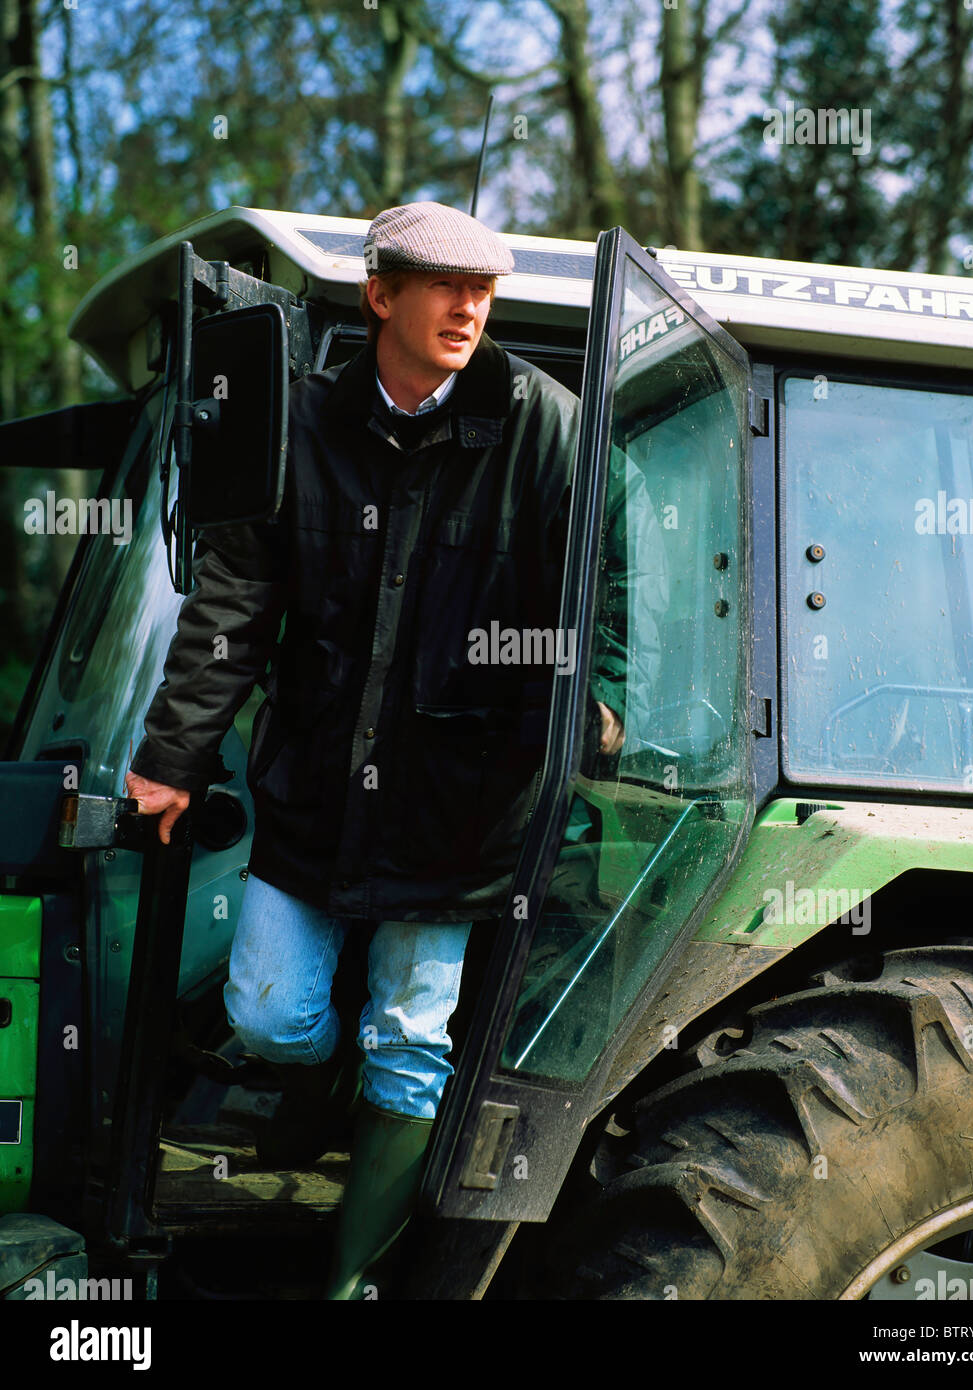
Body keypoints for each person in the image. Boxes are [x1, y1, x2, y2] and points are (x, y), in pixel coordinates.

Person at [124, 201, 633, 1301]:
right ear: (382, 295)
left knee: (411, 1036)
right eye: (445, 287)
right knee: (270, 1014)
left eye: (483, 291)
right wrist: (173, 753)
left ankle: (355, 1282)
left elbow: (614, 589)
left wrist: (601, 699)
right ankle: (335, 1088)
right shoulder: (300, 426)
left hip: (463, 804)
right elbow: (234, 604)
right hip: (312, 790)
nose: (468, 308)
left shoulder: (550, 431)